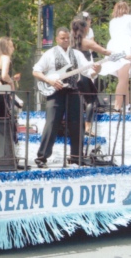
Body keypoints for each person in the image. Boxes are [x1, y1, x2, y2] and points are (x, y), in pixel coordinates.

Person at [33, 27, 101, 168]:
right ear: (57, 39)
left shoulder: (76, 54)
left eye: (67, 38)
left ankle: (76, 156)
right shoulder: (50, 53)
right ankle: (42, 156)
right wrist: (49, 81)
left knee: (77, 123)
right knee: (51, 123)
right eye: (62, 38)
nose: (65, 40)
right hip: (55, 92)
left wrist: (96, 71)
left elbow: (88, 73)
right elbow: (36, 71)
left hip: (73, 91)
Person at [70, 18, 112, 136]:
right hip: (82, 74)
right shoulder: (86, 42)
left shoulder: (69, 42)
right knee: (91, 100)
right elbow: (104, 51)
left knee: (74, 101)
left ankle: (73, 125)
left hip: (70, 75)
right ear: (85, 29)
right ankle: (87, 126)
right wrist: (122, 55)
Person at [99, 1, 131, 111]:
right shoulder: (130, 18)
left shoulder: (112, 21)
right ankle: (118, 106)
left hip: (113, 46)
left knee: (123, 78)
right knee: (123, 79)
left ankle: (127, 105)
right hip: (126, 46)